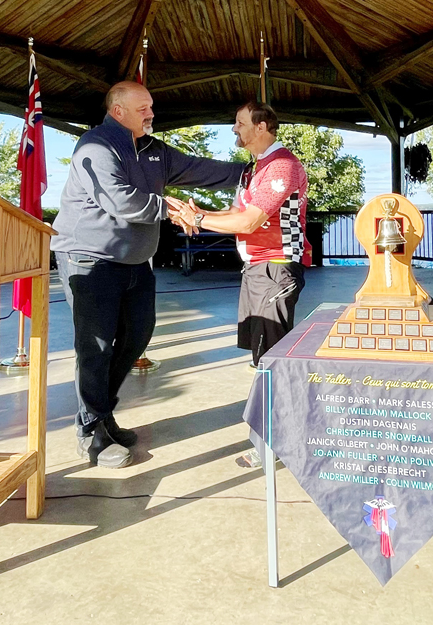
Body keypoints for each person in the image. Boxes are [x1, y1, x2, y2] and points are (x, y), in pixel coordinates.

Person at [52, 80, 245, 469]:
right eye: (143, 108)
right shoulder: (95, 146)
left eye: (151, 107)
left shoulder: (155, 150)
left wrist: (254, 171)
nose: (151, 114)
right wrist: (172, 209)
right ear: (117, 110)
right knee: (97, 347)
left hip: (135, 261)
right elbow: (118, 199)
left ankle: (102, 414)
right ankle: (91, 433)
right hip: (89, 260)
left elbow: (199, 169)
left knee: (136, 337)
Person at [167, 102, 311, 467]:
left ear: (262, 126)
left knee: (271, 360)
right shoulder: (255, 169)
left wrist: (197, 216)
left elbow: (249, 221)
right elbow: (234, 215)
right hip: (258, 273)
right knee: (262, 357)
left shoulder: (282, 166)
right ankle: (270, 443)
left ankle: (273, 448)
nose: (235, 130)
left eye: (240, 124)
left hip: (275, 270)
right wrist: (197, 218)